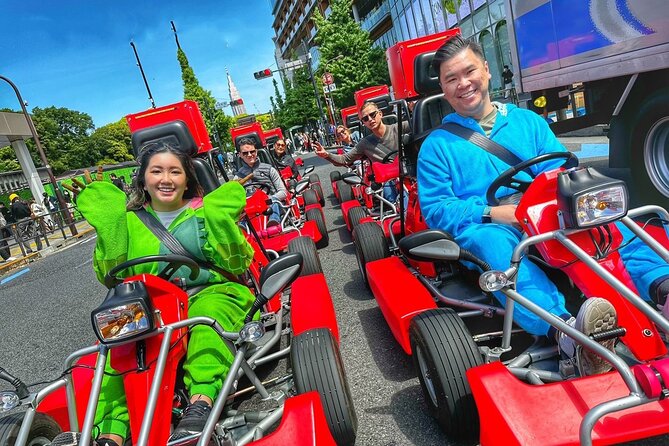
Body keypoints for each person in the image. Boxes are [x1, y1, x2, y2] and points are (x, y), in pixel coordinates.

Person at [417, 35, 669, 376]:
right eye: (451, 78)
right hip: (490, 222)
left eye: (469, 71)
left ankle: (662, 290)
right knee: (495, 244)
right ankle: (570, 334)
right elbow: (437, 208)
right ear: (444, 89)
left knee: (608, 215)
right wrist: (493, 212)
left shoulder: (528, 123)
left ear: (487, 71)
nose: (463, 84)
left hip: (544, 210)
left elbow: (559, 172)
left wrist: (571, 191)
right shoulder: (437, 146)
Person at [52, 141, 256, 446]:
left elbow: (239, 262)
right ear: (143, 180)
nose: (166, 179)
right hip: (148, 304)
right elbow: (109, 276)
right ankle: (110, 434)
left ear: (187, 178)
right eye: (156, 171)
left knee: (204, 323)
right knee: (114, 348)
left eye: (175, 171)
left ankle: (199, 404)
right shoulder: (130, 221)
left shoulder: (204, 211)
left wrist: (220, 221)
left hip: (210, 290)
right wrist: (110, 227)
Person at [315, 101, 407, 203]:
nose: (370, 120)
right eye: (366, 118)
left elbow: (423, 125)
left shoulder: (400, 128)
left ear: (380, 114)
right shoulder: (365, 143)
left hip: (409, 172)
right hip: (387, 179)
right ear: (364, 123)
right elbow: (344, 159)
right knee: (394, 200)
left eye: (372, 115)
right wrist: (326, 155)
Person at [234, 138, 288, 226]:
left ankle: (274, 222)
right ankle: (243, 228)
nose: (249, 155)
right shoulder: (238, 177)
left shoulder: (270, 169)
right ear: (240, 155)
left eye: (252, 152)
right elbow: (236, 200)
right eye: (245, 153)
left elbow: (283, 192)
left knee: (274, 203)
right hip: (251, 210)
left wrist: (270, 199)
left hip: (270, 205)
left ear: (256, 151)